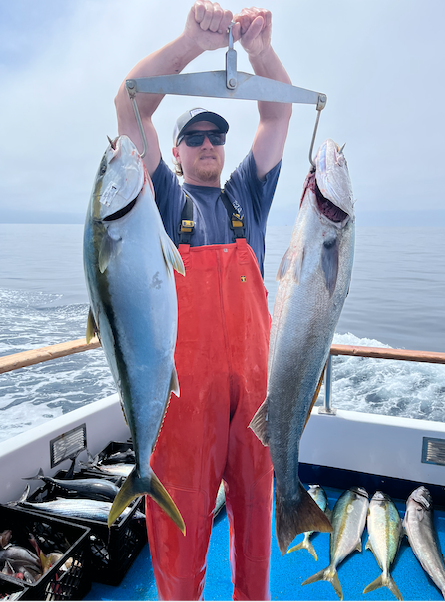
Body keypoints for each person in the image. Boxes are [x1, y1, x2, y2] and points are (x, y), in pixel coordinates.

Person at [114, 2, 292, 600]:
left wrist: (260, 53)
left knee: (255, 557)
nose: (209, 143)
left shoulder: (249, 196)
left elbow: (277, 115)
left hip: (254, 409)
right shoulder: (163, 201)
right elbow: (129, 103)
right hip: (183, 408)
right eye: (195, 136)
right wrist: (191, 43)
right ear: (177, 150)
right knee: (178, 553)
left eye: (217, 134)